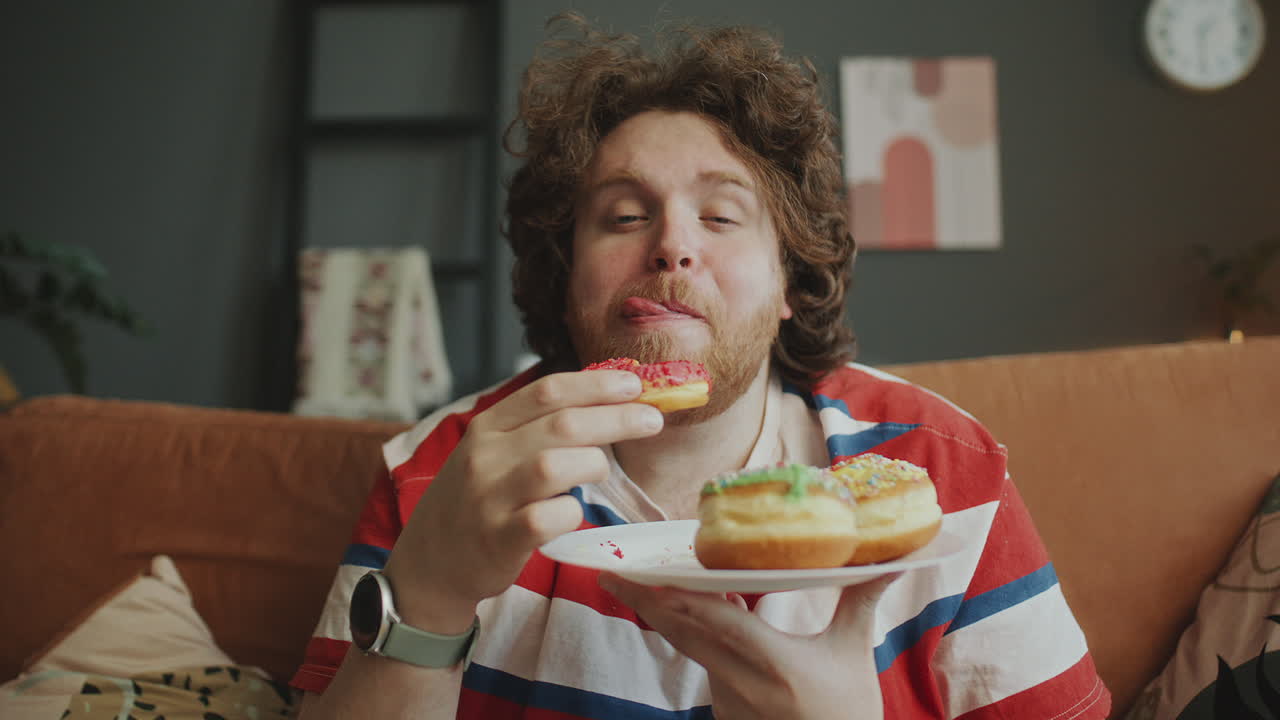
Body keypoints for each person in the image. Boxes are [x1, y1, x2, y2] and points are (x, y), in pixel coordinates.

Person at [293, 13, 1110, 720]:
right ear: (565, 270)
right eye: (623, 215)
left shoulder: (941, 473)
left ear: (790, 280)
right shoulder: (440, 469)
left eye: (721, 214)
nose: (673, 245)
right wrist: (428, 600)